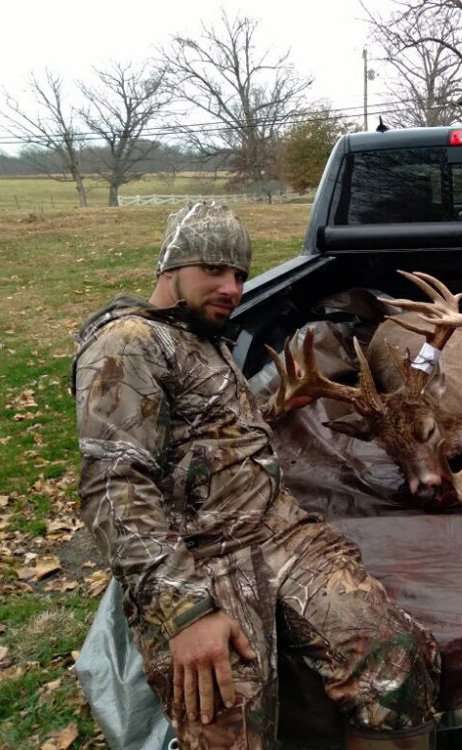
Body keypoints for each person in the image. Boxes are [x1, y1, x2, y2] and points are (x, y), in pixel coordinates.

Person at [73, 202, 440, 750]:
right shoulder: (130, 342)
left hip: (281, 536)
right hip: (201, 559)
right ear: (169, 268)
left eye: (241, 275)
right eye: (214, 269)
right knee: (229, 723)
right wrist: (185, 611)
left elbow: (217, 441)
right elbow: (113, 487)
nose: (232, 287)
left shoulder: (205, 340)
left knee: (395, 658)